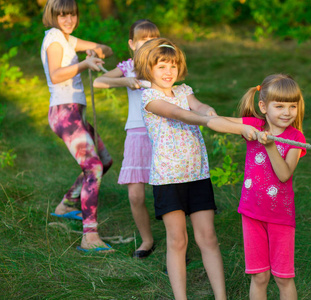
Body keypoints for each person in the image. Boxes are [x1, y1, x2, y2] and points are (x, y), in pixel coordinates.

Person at [133, 37, 234, 300]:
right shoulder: (148, 97)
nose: (169, 72)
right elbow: (177, 114)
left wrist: (209, 111)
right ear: (149, 69)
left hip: (197, 174)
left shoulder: (183, 90)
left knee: (208, 237)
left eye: (173, 66)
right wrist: (205, 121)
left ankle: (221, 297)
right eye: (162, 67)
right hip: (168, 179)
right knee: (177, 240)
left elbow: (197, 106)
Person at [207, 74, 307, 300]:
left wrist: (271, 146)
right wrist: (242, 129)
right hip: (251, 213)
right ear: (263, 106)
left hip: (280, 217)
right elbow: (216, 123)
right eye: (279, 105)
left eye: (292, 106)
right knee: (259, 276)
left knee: (283, 277)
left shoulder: (296, 138)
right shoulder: (255, 125)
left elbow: (283, 174)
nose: (286, 112)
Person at [41, 0, 114, 252]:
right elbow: (56, 74)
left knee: (103, 161)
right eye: (62, 16)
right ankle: (89, 236)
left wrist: (96, 52)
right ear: (53, 16)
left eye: (72, 14)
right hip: (64, 113)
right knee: (93, 167)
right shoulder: (53, 38)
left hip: (75, 113)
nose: (68, 20)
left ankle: (65, 206)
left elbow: (106, 49)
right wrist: (84, 64)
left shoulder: (67, 39)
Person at [93, 19, 160, 259]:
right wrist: (125, 80)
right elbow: (98, 82)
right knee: (135, 194)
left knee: (165, 190)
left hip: (161, 133)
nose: (148, 43)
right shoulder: (128, 66)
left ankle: (177, 239)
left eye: (153, 39)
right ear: (132, 44)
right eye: (143, 39)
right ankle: (147, 239)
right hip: (136, 133)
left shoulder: (162, 65)